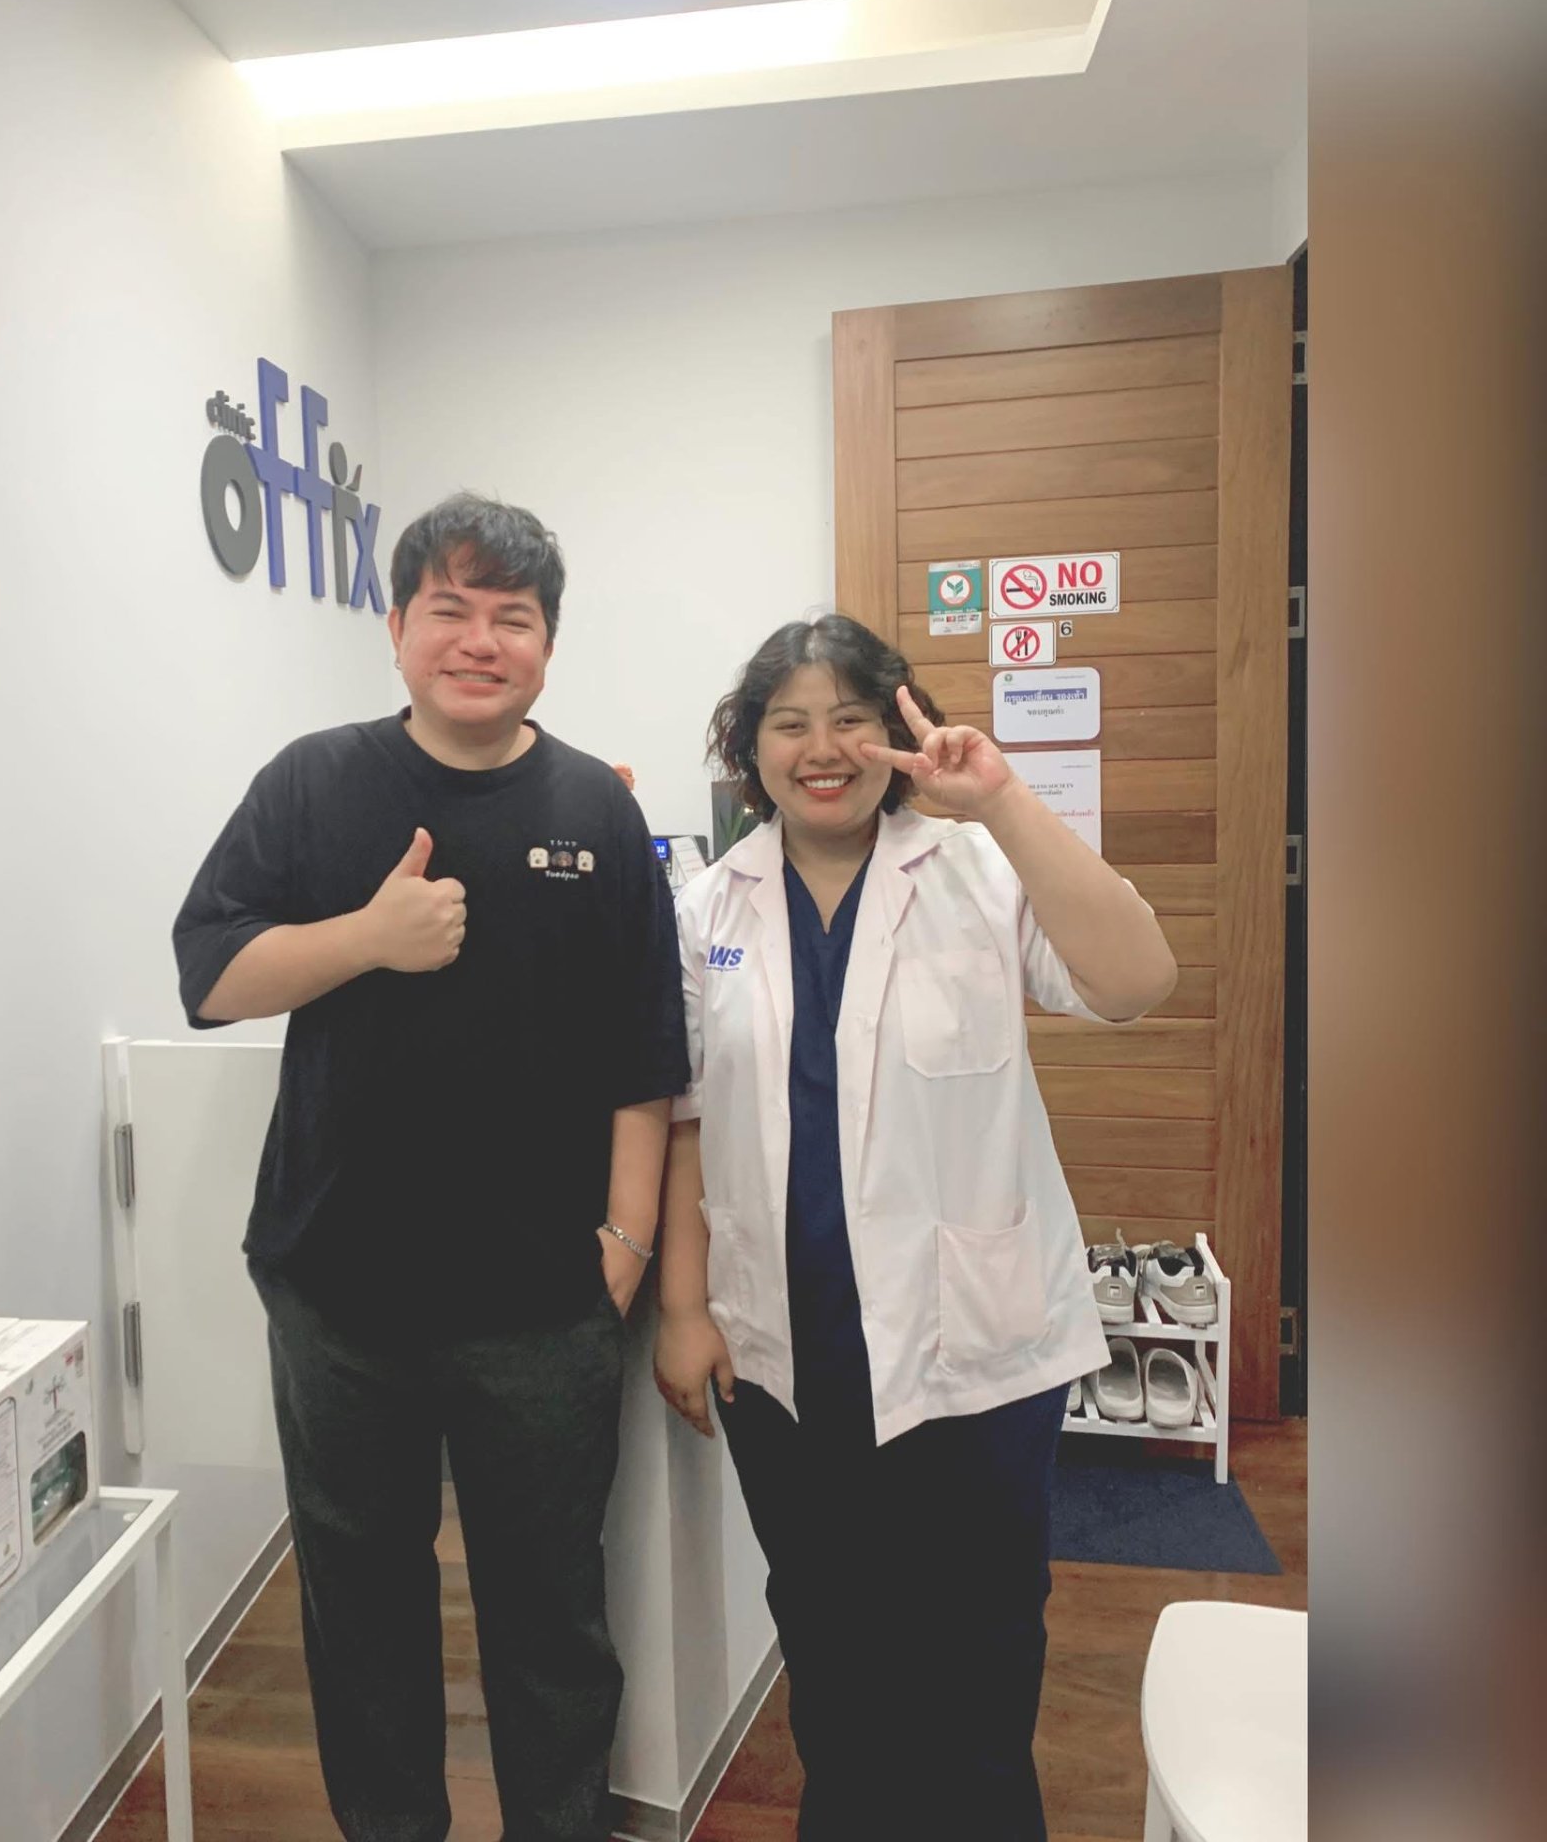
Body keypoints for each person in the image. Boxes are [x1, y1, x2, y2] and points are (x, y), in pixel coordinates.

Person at [173, 493, 688, 1842]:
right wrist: (367, 937)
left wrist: (626, 1246)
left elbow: (646, 1052)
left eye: (511, 616)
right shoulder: (312, 783)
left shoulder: (596, 808)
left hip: (544, 1305)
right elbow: (210, 976)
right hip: (340, 1294)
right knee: (360, 1608)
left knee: (552, 1614)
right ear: (397, 626)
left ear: (547, 644)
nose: (478, 640)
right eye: (448, 610)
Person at [651, 614, 1177, 1839]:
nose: (822, 749)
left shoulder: (978, 866)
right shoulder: (706, 907)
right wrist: (681, 1307)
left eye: (850, 718)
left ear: (899, 730)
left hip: (973, 1351)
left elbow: (1135, 982)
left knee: (979, 1650)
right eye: (790, 723)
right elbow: (684, 1116)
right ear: (750, 748)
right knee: (828, 1639)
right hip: (786, 1348)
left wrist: (1003, 803)